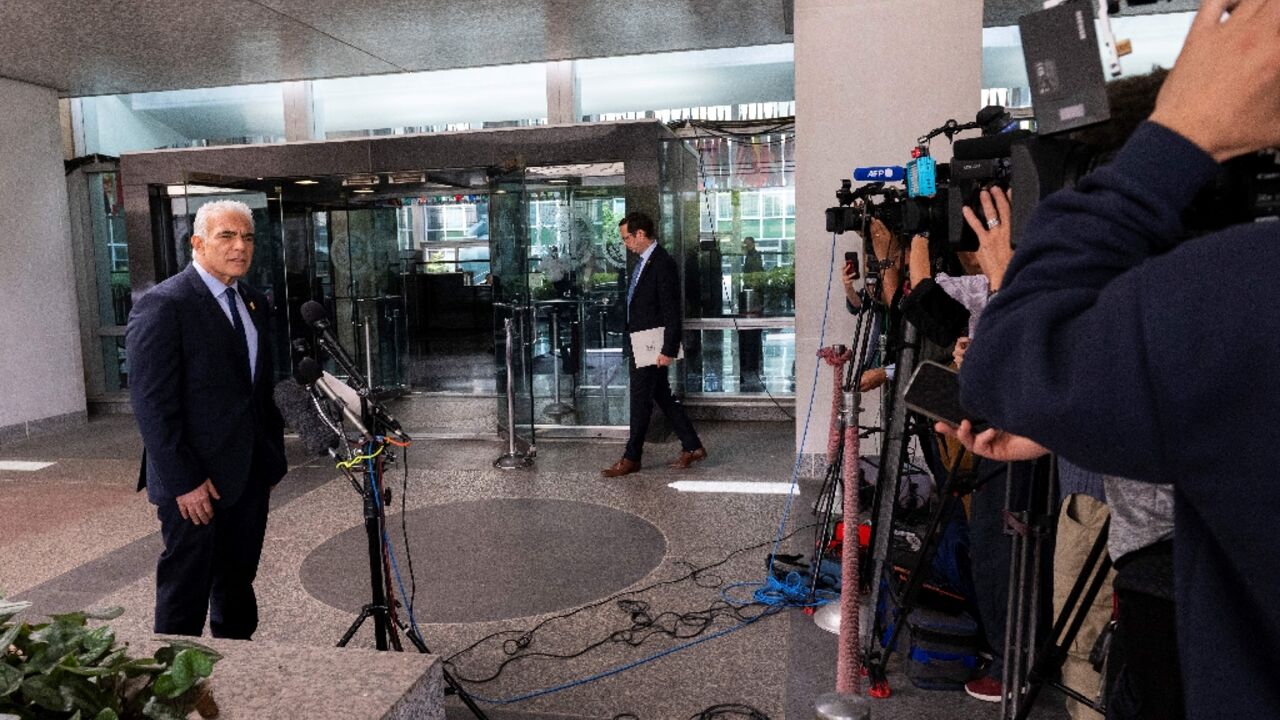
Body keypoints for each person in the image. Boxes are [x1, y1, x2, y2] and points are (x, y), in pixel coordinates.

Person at [952, 2, 1280, 717]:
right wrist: (1062, 415)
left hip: (1162, 593)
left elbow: (1010, 365)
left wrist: (1175, 137)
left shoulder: (1230, 297)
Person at [127, 199, 288, 638]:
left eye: (248, 237)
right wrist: (184, 481)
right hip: (194, 484)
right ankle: (176, 687)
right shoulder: (165, 304)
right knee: (186, 591)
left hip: (248, 475)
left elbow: (258, 389)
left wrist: (270, 458)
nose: (240, 247)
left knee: (238, 585)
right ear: (197, 243)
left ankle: (236, 670)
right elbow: (151, 405)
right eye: (227, 236)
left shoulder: (253, 301)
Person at [602, 211, 706, 477]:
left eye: (627, 238)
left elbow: (672, 310)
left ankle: (631, 456)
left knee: (640, 399)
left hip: (652, 346)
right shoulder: (644, 262)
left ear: (640, 234)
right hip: (640, 342)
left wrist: (668, 349)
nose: (625, 243)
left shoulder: (662, 263)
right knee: (662, 395)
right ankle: (692, 446)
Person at [739, 237, 765, 389]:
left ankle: (753, 362)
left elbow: (755, 276)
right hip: (751, 298)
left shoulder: (754, 257)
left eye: (747, 244)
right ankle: (751, 362)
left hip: (754, 298)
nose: (746, 246)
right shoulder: (749, 256)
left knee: (753, 334)